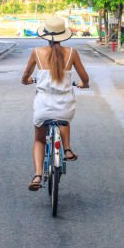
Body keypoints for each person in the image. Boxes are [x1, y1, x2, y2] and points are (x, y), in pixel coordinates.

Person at [21, 16, 90, 191]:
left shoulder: (36, 52)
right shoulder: (72, 53)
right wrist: (84, 84)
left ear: (45, 35)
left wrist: (28, 80)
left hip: (43, 106)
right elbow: (85, 78)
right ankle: (67, 149)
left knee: (39, 140)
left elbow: (24, 77)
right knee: (63, 119)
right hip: (65, 105)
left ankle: (37, 175)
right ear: (63, 35)